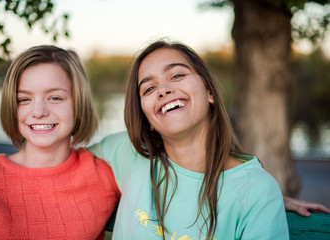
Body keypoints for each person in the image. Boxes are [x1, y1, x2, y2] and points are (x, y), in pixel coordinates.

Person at [90, 40, 289, 240]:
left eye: (177, 75)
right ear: (146, 117)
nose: (163, 90)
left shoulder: (256, 191)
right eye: (149, 88)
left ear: (209, 92)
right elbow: (63, 159)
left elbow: (251, 193)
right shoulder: (131, 154)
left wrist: (266, 198)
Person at [0, 45, 120, 239]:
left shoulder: (104, 176)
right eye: (24, 99)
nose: (39, 111)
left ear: (78, 103)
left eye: (55, 97)